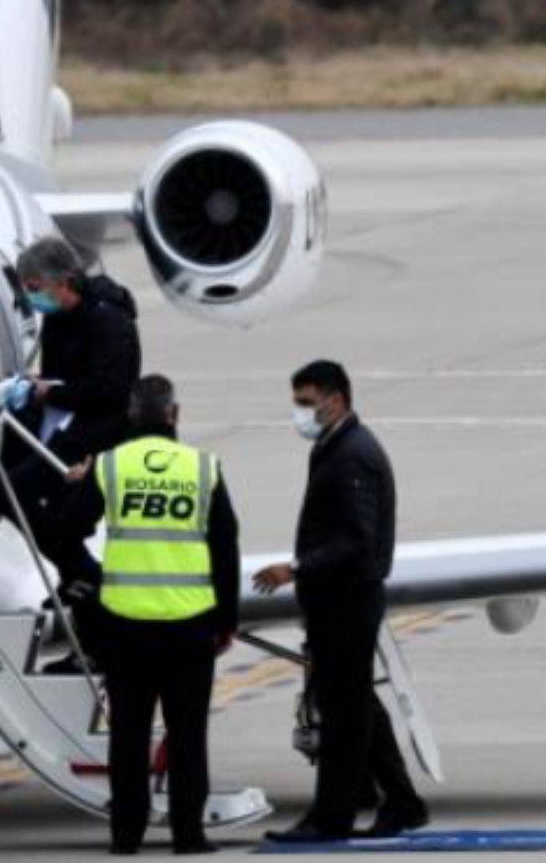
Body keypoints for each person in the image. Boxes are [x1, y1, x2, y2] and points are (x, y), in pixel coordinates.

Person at [60, 374, 240, 856]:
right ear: (174, 415)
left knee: (128, 738)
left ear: (132, 417)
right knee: (188, 737)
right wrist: (227, 620)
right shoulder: (204, 468)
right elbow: (226, 548)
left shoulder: (111, 467)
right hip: (190, 627)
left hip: (125, 628)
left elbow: (67, 528)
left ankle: (126, 837)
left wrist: (91, 583)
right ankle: (188, 836)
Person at [253, 360, 428, 843]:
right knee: (357, 706)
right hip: (338, 599)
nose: (300, 413)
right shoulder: (335, 445)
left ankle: (331, 817)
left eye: (306, 403)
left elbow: (357, 538)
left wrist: (297, 568)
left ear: (335, 400)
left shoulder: (352, 454)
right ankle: (404, 803)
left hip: (348, 600)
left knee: (343, 713)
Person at [3, 237, 141, 670]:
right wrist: (39, 385)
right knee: (21, 498)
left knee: (27, 499)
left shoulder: (109, 321)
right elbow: (66, 376)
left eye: (34, 286)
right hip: (61, 426)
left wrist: (51, 392)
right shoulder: (61, 319)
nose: (31, 296)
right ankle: (80, 590)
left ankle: (84, 583)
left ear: (63, 283)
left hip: (92, 435)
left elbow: (110, 390)